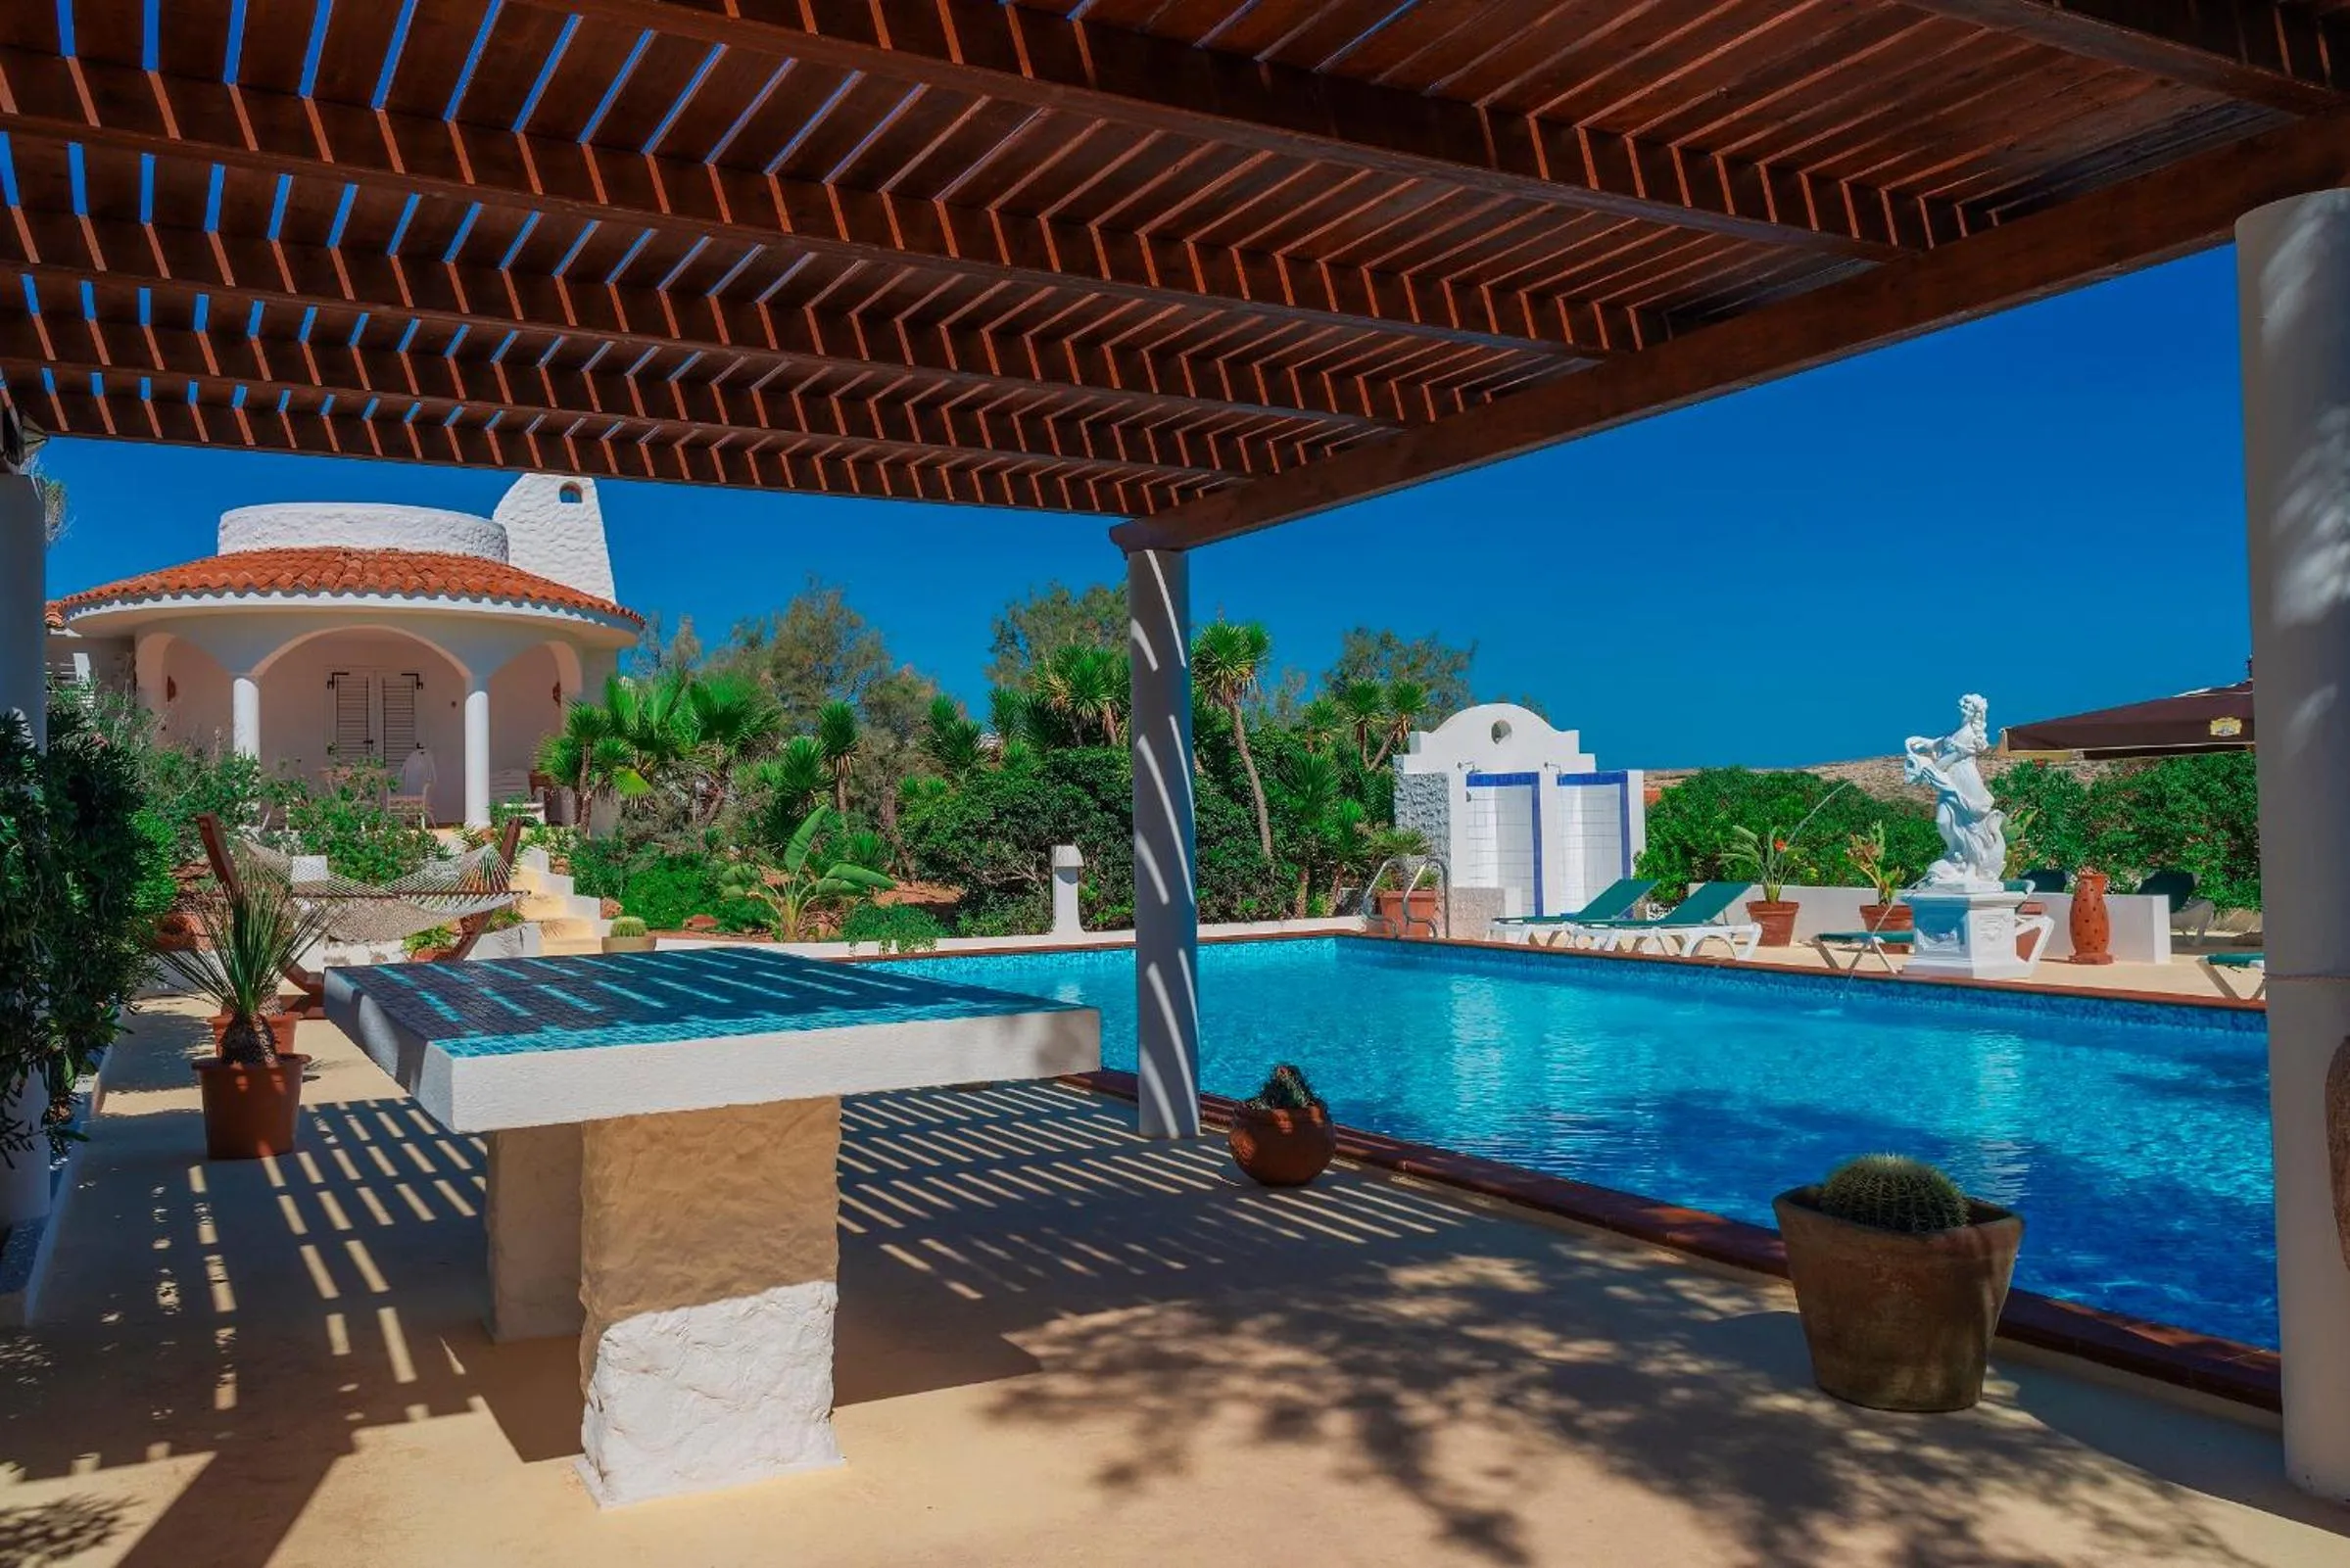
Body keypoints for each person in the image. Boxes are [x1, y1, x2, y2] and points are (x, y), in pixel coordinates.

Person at [1903, 694, 2005, 890]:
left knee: (1970, 826)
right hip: (1949, 781)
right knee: (1943, 821)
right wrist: (1927, 743)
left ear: (1975, 713)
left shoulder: (1968, 734)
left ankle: (1972, 867)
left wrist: (1926, 768)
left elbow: (1946, 761)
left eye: (1968, 708)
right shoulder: (1958, 730)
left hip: (1965, 782)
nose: (1964, 710)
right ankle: (1956, 855)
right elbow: (1944, 742)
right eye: (1963, 707)